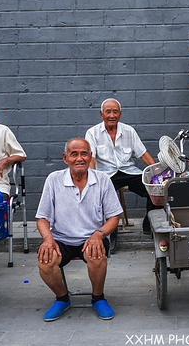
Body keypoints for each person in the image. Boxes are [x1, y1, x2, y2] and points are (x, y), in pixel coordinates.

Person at [36, 138, 123, 322]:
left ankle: (98, 297)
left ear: (90, 156)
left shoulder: (103, 180)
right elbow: (42, 217)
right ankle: (62, 298)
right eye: (74, 154)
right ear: (65, 158)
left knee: (96, 253)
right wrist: (47, 238)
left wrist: (99, 234)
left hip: (92, 237)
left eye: (84, 153)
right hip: (61, 239)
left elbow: (114, 217)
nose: (79, 158)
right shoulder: (54, 179)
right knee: (45, 259)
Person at [85, 98, 157, 234]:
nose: (112, 115)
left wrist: (157, 173)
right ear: (101, 114)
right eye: (108, 112)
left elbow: (143, 154)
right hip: (107, 175)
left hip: (129, 172)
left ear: (120, 114)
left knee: (154, 189)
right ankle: (110, 234)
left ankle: (150, 226)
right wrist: (94, 178)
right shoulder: (92, 133)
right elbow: (91, 159)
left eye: (115, 112)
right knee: (103, 196)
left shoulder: (129, 131)